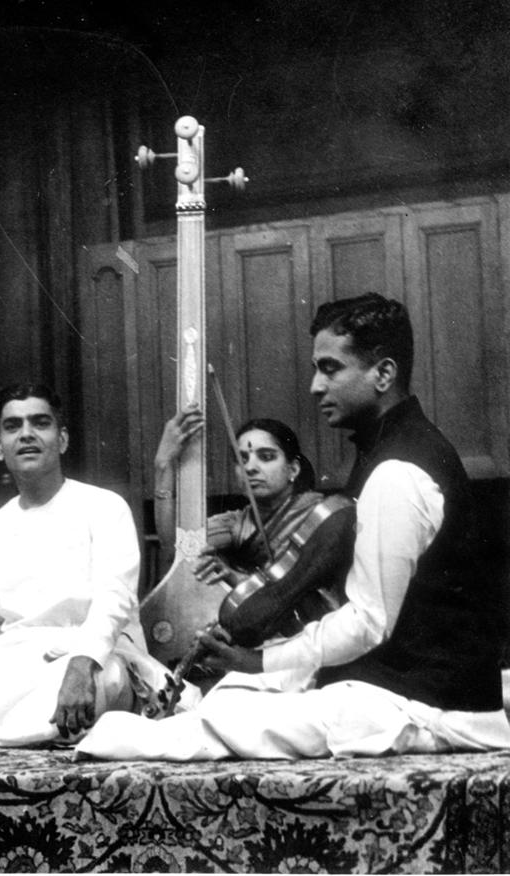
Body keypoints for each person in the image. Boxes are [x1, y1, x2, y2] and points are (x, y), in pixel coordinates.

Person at [78, 293, 510, 760]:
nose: (314, 386)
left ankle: (120, 739)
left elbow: (368, 622)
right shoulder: (383, 452)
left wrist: (261, 660)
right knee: (235, 692)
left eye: (330, 368)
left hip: (429, 701)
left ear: (383, 374)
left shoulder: (398, 471)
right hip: (397, 680)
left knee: (226, 717)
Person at [0, 383, 191, 748]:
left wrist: (82, 663)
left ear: (61, 440)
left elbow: (114, 603)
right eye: (13, 426)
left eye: (39, 423)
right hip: (17, 662)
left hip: (95, 657)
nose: (26, 434)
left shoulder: (105, 507)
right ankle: (1, 732)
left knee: (86, 683)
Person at [154, 411, 344, 679]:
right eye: (242, 459)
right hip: (262, 650)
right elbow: (175, 545)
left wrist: (236, 579)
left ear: (293, 469)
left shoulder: (321, 515)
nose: (251, 467)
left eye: (266, 457)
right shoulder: (236, 523)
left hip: (322, 646)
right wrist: (163, 464)